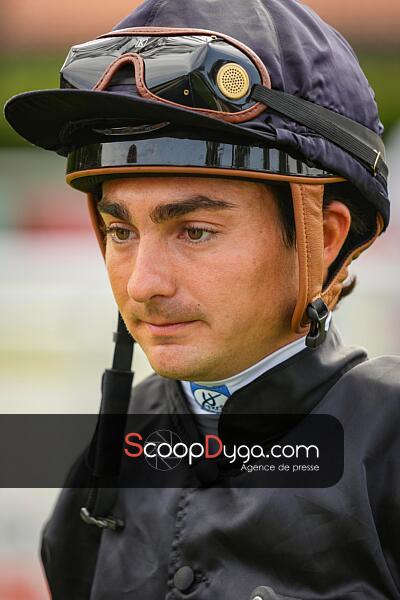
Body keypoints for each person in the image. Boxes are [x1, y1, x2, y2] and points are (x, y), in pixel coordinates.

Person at [5, 0, 400, 598]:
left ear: (324, 237)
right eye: (120, 231)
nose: (142, 284)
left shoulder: (386, 449)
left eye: (195, 232)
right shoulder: (105, 459)